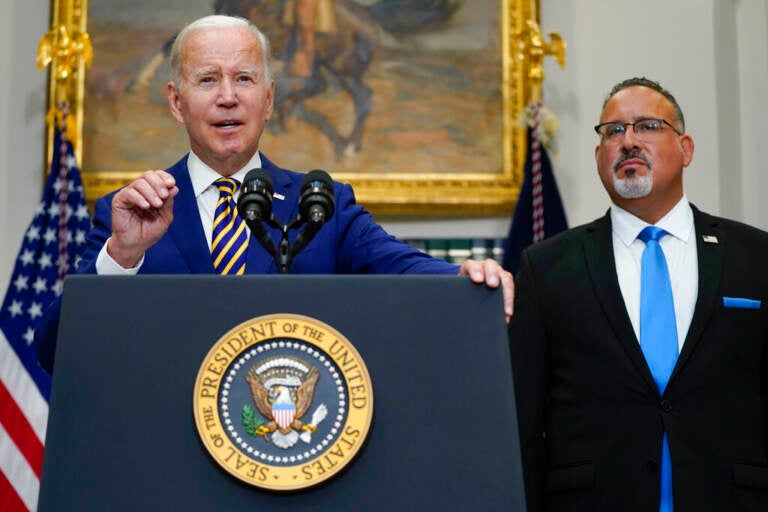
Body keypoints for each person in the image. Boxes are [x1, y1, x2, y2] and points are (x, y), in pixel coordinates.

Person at [35, 14, 513, 373]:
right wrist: (121, 255)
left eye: (244, 78)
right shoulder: (132, 213)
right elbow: (55, 351)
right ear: (177, 103)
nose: (228, 97)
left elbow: (403, 267)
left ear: (268, 99)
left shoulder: (322, 204)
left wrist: (464, 275)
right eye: (207, 80)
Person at [509, 77, 768, 511]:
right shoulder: (547, 267)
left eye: (647, 126)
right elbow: (523, 420)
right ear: (599, 157)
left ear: (685, 149)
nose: (627, 141)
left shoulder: (756, 256)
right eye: (613, 131)